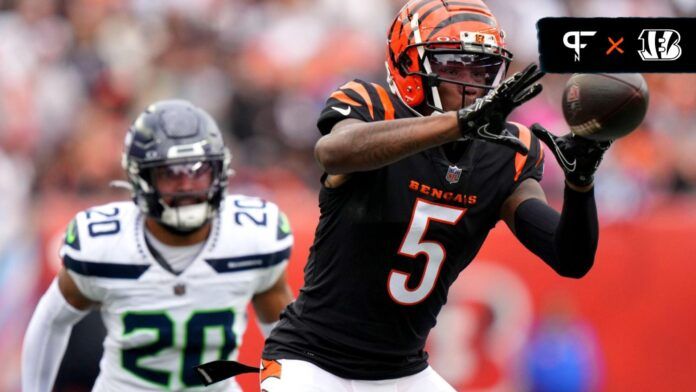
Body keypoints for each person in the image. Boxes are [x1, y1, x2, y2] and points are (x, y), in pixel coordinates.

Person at [258, 0, 612, 390]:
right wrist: (457, 124)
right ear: (408, 67)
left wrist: (581, 185)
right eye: (452, 66)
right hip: (311, 361)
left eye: (480, 68)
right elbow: (334, 151)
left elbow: (570, 258)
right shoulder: (371, 107)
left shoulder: (507, 153)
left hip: (404, 370)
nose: (470, 83)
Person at [21, 100, 294, 392]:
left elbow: (283, 339)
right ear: (142, 178)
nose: (187, 187)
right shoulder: (102, 245)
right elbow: (51, 321)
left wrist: (284, 387)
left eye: (198, 171)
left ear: (220, 172)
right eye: (170, 174)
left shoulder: (253, 239)